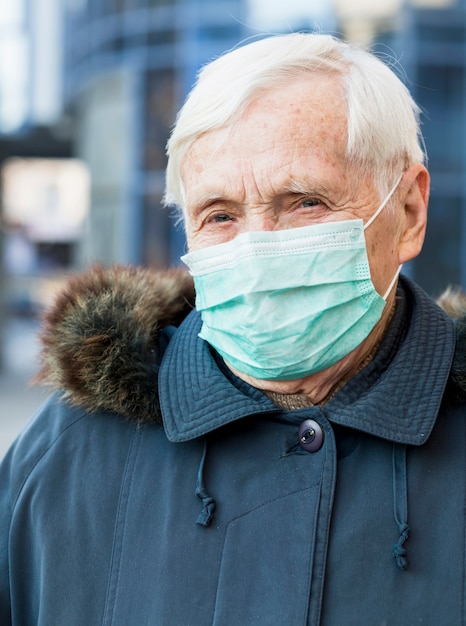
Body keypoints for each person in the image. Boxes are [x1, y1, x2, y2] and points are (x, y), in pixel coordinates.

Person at [1, 32, 465, 625]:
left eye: (304, 202)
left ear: (408, 214)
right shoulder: (68, 452)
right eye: (219, 215)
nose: (256, 249)